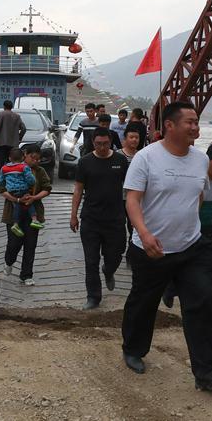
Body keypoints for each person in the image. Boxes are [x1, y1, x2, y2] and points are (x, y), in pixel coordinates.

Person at [121, 101, 212, 392]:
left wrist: (189, 225)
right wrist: (144, 233)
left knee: (203, 301)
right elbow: (132, 199)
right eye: (190, 122)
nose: (195, 127)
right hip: (150, 249)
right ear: (169, 126)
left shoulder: (199, 160)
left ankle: (208, 373)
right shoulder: (146, 158)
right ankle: (133, 349)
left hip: (190, 247)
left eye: (197, 122)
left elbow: (199, 197)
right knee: (143, 304)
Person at [162, 143, 212, 341]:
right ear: (207, 161)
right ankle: (170, 287)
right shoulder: (195, 179)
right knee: (186, 271)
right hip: (192, 232)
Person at [70, 128, 128, 310]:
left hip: (116, 218)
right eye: (98, 144)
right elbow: (78, 189)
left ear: (110, 141)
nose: (102, 147)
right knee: (91, 260)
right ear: (93, 143)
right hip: (91, 219)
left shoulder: (120, 160)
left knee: (116, 253)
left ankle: (109, 270)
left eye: (105, 143)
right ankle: (93, 296)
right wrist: (73, 215)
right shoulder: (85, 162)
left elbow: (131, 187)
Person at [0, 146, 52, 285]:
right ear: (25, 155)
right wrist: (16, 199)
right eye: (32, 157)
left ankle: (26, 274)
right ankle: (9, 261)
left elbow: (47, 188)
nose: (35, 161)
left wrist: (34, 198)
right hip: (13, 212)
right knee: (14, 243)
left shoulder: (40, 171)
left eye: (38, 159)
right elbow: (1, 188)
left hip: (32, 212)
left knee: (30, 244)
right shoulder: (10, 169)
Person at [0, 148, 37, 237]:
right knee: (28, 203)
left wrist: (6, 184)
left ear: (9, 158)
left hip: (11, 191)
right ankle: (34, 219)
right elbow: (30, 179)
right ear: (23, 158)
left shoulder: (4, 168)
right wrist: (32, 183)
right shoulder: (24, 167)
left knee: (16, 206)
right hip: (23, 190)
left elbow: (0, 182)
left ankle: (15, 224)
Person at [0, 100, 26, 165]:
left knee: (1, 164)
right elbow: (23, 129)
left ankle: (2, 175)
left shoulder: (1, 114)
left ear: (4, 106)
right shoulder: (17, 116)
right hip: (13, 145)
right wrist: (19, 138)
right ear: (11, 107)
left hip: (1, 144)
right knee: (13, 164)